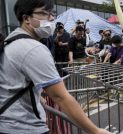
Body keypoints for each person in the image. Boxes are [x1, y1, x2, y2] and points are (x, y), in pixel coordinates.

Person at [0, 0, 111, 134]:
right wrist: (95, 130)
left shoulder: (11, 39)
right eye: (44, 13)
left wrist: (36, 95)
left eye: (52, 13)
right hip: (24, 127)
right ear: (26, 18)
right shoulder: (33, 48)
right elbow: (61, 97)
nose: (52, 18)